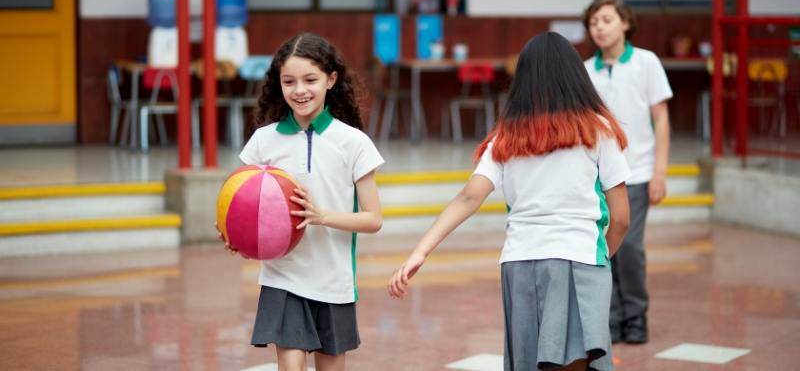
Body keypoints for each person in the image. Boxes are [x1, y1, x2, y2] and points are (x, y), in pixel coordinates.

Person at [388, 32, 631, 371]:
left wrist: (420, 251)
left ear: (523, 81)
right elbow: (620, 218)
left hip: (519, 263)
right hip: (578, 259)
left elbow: (469, 197)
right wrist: (599, 258)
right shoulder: (599, 130)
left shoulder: (506, 137)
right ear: (576, 76)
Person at [218, 33, 384, 371]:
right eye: (289, 81)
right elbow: (243, 201)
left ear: (331, 80)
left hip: (333, 279)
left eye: (310, 79)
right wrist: (236, 234)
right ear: (278, 83)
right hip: (283, 275)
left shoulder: (353, 143)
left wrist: (321, 216)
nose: (299, 90)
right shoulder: (263, 141)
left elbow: (373, 219)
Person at [582, 0, 673, 345]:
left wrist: (660, 171)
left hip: (637, 173)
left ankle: (635, 315)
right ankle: (613, 316)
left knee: (629, 247)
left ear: (624, 23)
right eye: (594, 23)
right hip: (598, 176)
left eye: (606, 20)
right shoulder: (587, 69)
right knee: (605, 246)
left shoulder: (646, 62)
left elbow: (661, 119)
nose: (599, 27)